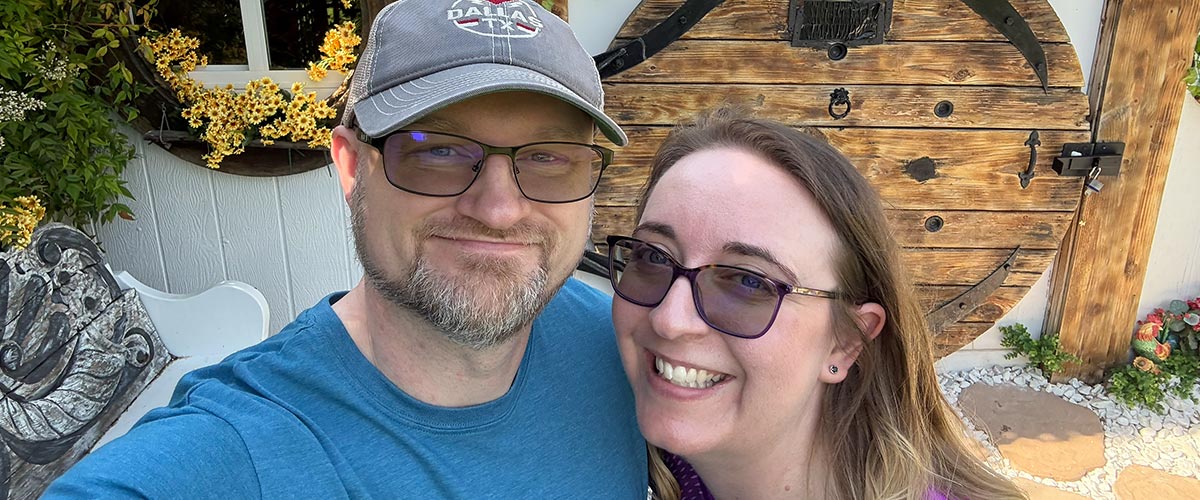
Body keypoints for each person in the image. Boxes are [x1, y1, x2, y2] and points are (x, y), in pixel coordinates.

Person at [46, 1, 647, 497]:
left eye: (547, 158)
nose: (498, 209)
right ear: (352, 166)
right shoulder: (240, 445)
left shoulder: (627, 349)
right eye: (436, 150)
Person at [606, 107, 1025, 499]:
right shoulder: (655, 454)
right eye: (652, 256)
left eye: (750, 282)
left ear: (845, 341)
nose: (670, 320)